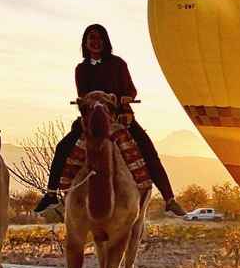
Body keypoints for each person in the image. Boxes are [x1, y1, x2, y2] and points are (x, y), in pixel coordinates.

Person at [34, 24, 187, 217]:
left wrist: (125, 99)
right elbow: (83, 95)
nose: (95, 42)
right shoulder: (81, 69)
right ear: (85, 43)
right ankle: (51, 193)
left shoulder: (118, 64)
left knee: (147, 149)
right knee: (62, 147)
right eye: (91, 38)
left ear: (105, 41)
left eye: (99, 38)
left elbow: (131, 90)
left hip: (119, 116)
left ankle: (169, 199)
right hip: (92, 117)